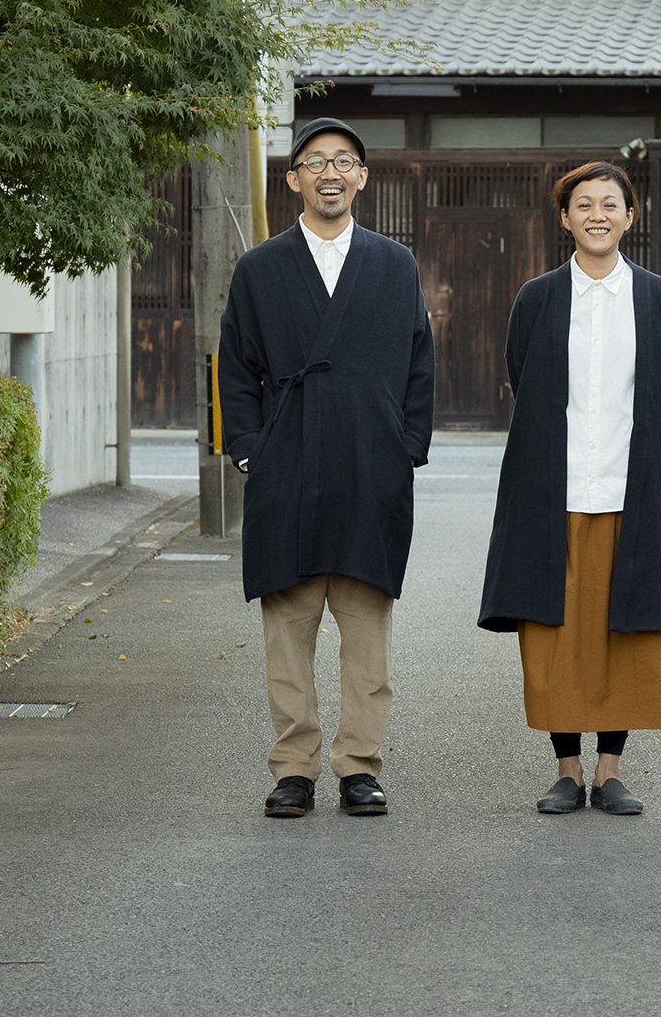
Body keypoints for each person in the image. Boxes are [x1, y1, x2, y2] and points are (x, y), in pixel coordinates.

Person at [218, 117, 435, 818]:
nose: (330, 173)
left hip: (371, 465)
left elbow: (419, 364)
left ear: (363, 176)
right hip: (287, 464)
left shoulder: (394, 264)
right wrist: (250, 449)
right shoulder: (259, 269)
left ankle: (360, 765)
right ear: (294, 179)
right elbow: (237, 371)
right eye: (315, 162)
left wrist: (405, 447)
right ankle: (294, 767)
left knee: (367, 632)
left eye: (344, 161)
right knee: (288, 629)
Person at [478, 160, 661, 816]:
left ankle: (610, 768)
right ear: (565, 216)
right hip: (556, 488)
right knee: (557, 631)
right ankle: (567, 768)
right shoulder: (538, 297)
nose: (597, 213)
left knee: (623, 631)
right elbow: (523, 372)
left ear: (631, 216)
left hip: (633, 489)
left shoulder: (655, 296)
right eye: (583, 203)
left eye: (611, 202)